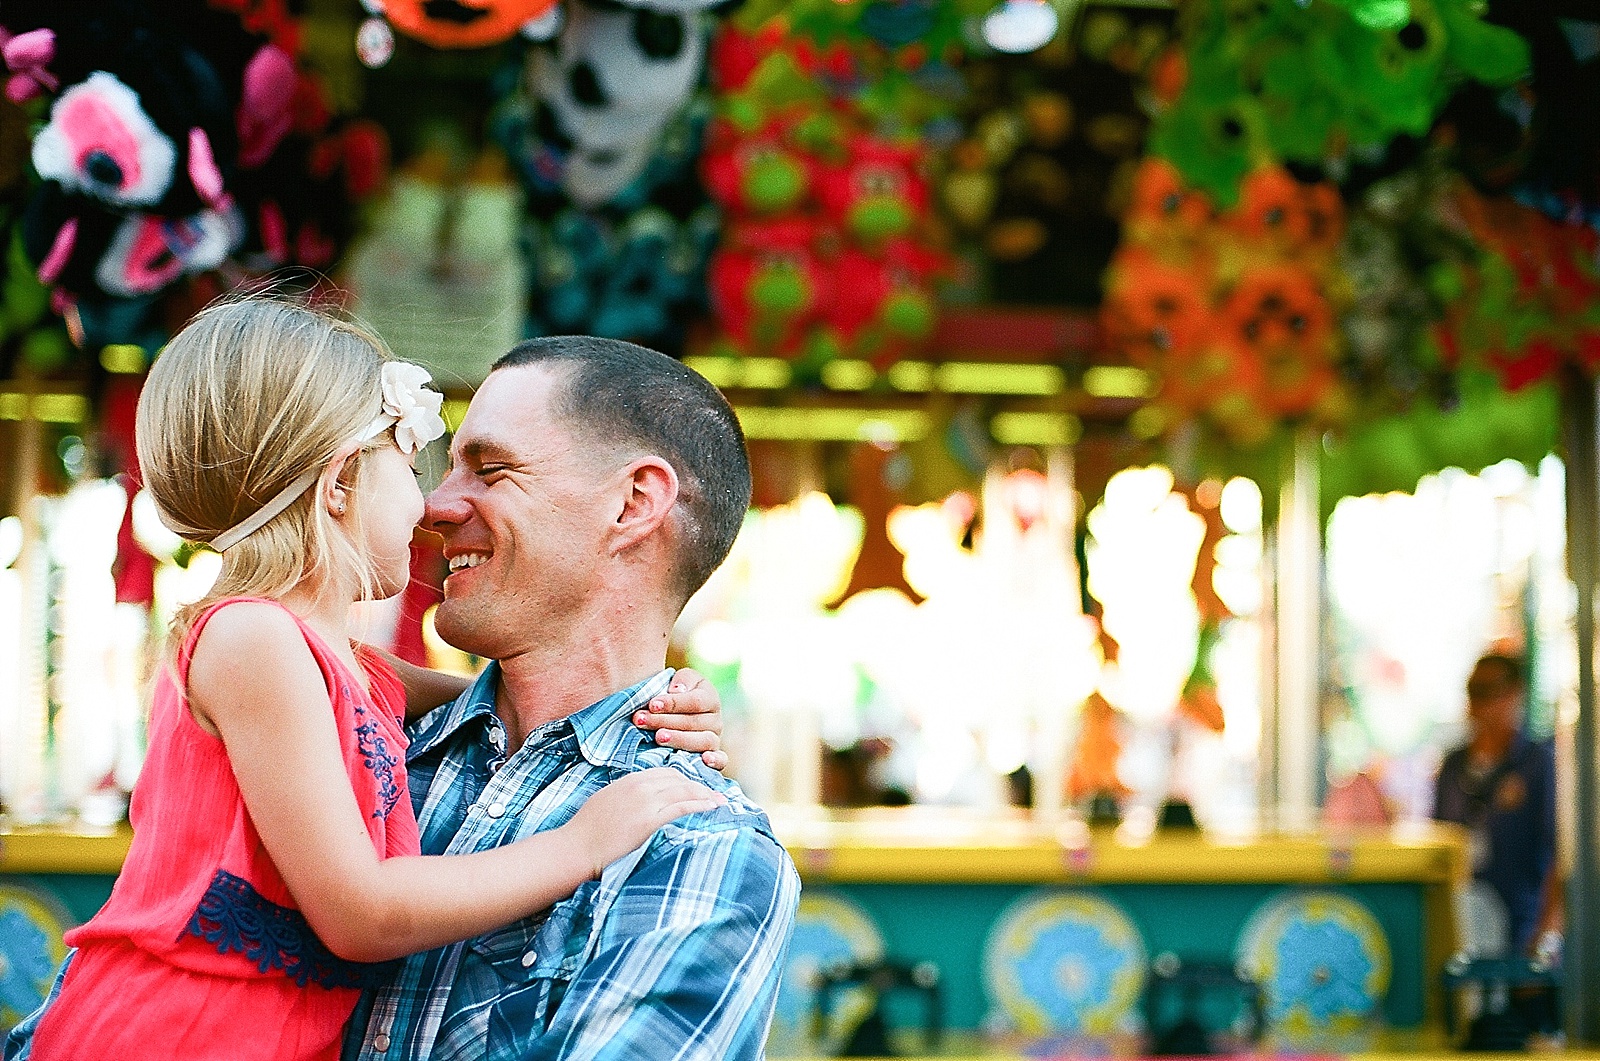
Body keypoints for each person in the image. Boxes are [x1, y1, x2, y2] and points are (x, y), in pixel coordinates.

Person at [5, 298, 731, 1061]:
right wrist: (585, 842)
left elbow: (516, 700)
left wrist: (655, 704)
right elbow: (362, 911)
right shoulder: (256, 640)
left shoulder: (338, 666)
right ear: (341, 482)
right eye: (413, 462)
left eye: (483, 470)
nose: (433, 506)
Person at [344, 336, 801, 1061]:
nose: (434, 504)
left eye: (490, 470)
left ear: (633, 503)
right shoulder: (352, 741)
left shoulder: (698, 842)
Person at [1433, 652, 1557, 955]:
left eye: (1490, 692)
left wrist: (1544, 934)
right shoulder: (1453, 765)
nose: (1480, 704)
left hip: (1520, 923)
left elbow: (1557, 855)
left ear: (1515, 694)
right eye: (1473, 692)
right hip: (1461, 926)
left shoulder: (1536, 763)